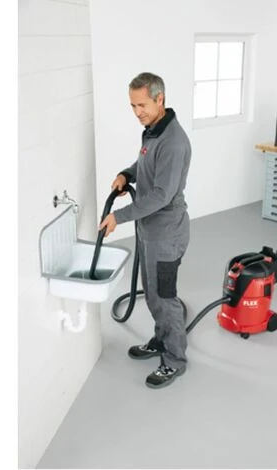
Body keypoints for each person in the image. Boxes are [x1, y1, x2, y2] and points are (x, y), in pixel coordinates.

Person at [99, 72, 192, 389]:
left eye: (142, 105)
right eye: (132, 106)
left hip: (167, 233)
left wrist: (119, 216)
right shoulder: (152, 132)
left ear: (159, 99)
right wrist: (127, 174)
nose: (137, 112)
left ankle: (175, 360)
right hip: (150, 230)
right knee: (151, 294)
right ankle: (161, 340)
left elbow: (162, 195)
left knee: (165, 298)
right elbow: (145, 166)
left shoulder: (174, 142)